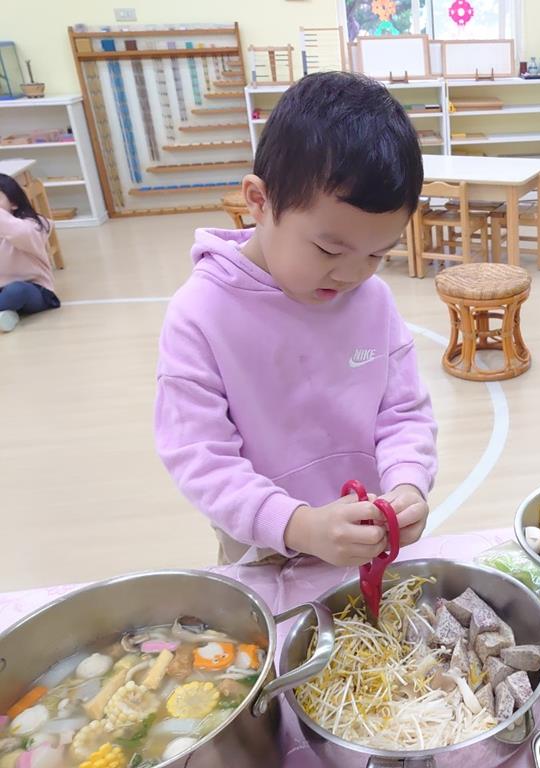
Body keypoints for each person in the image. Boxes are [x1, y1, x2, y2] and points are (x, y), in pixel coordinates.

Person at [155, 72, 437, 567]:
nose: (352, 274)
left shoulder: (373, 300)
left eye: (377, 254)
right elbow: (199, 455)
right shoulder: (200, 315)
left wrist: (408, 482)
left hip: (364, 533)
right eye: (329, 249)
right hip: (261, 543)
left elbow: (403, 412)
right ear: (259, 202)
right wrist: (297, 525)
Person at [0, 174, 60, 333]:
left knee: (17, 290)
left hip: (34, 290)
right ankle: (5, 314)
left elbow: (20, 233)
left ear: (14, 203)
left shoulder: (34, 224)